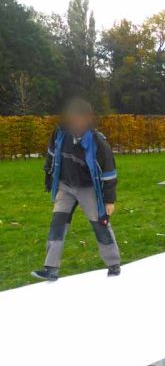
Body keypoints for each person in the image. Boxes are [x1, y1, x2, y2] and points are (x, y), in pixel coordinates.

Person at [32, 99, 121, 281]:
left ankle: (113, 264)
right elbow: (51, 157)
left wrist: (109, 200)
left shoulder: (98, 143)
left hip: (88, 187)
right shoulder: (59, 134)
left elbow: (109, 173)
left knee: (100, 224)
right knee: (57, 224)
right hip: (66, 186)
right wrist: (49, 179)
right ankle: (50, 268)